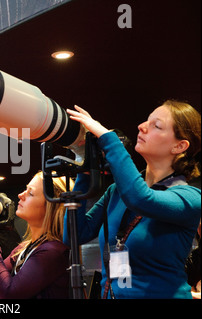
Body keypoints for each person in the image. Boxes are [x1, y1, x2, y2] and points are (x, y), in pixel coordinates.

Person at [65, 101, 201, 298]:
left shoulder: (190, 197)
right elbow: (73, 235)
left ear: (179, 146)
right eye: (147, 120)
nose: (141, 126)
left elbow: (141, 199)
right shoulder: (116, 192)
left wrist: (107, 138)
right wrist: (85, 170)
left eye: (156, 125)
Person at [0, 172, 72, 299]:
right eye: (25, 189)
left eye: (30, 193)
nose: (20, 195)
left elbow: (9, 293)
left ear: (50, 206)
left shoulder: (53, 251)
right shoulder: (25, 248)